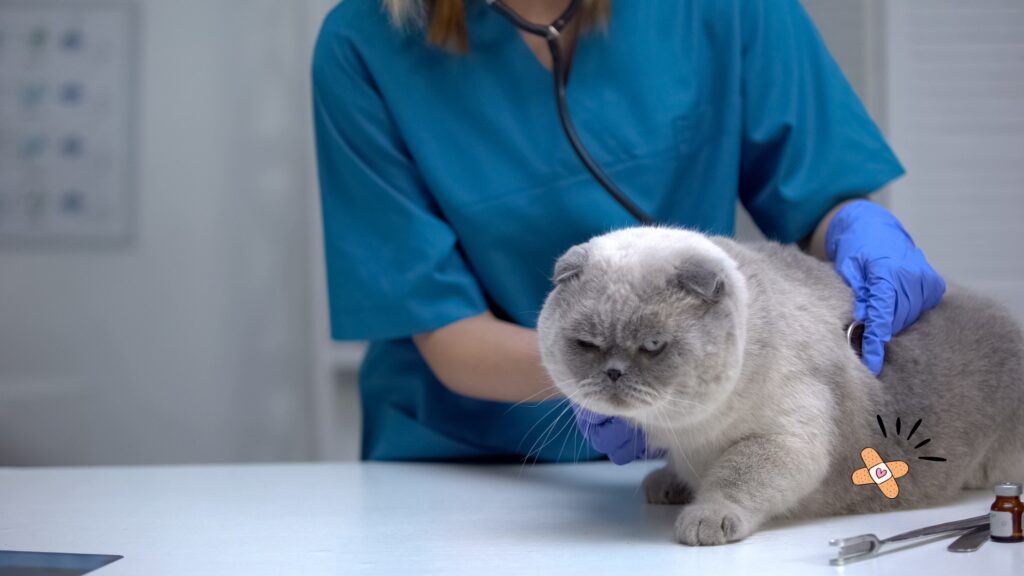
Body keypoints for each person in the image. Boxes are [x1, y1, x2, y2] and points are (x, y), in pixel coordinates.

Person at [312, 0, 945, 462]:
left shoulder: (728, 10)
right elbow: (449, 335)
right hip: (461, 462)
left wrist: (857, 229)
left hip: (696, 440)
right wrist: (632, 377)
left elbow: (816, 197)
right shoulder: (363, 45)